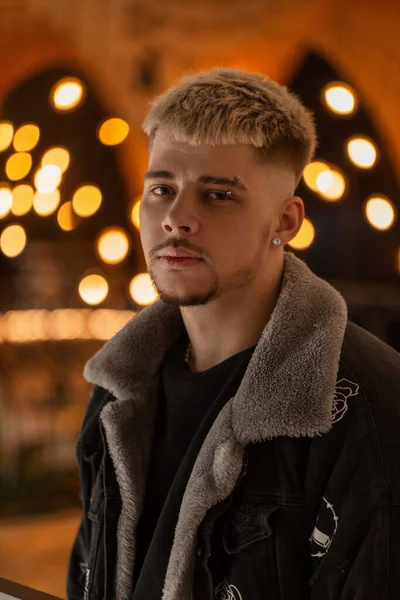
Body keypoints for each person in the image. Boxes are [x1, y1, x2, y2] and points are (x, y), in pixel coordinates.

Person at [67, 68, 400, 600]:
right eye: (161, 189)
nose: (177, 218)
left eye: (218, 195)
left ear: (286, 221)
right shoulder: (116, 390)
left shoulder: (369, 410)